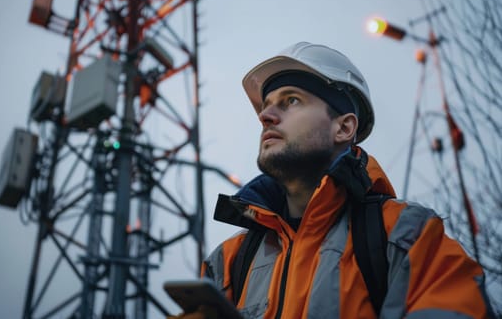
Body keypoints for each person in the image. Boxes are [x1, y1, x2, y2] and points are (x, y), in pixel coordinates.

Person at [199, 42, 492, 318]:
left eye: (291, 100)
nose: (266, 115)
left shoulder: (406, 236)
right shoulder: (228, 262)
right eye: (266, 105)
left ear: (344, 127)